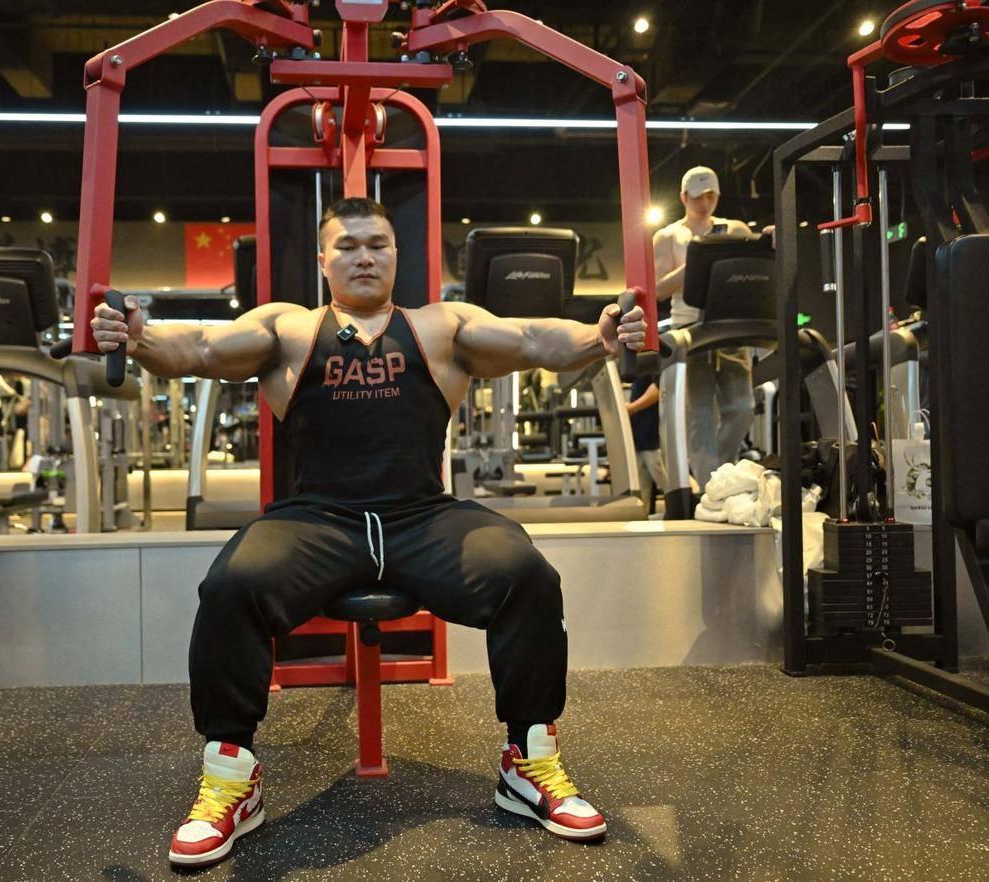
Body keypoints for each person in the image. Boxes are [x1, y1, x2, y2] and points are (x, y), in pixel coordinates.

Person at [92, 198, 647, 868]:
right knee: (231, 586)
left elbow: (531, 340)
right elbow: (202, 349)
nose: (363, 256)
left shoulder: (440, 328)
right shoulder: (289, 329)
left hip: (423, 517)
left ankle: (528, 760)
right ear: (323, 259)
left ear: (396, 254)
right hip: (319, 519)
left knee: (526, 575)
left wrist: (599, 337)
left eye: (377, 244)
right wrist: (139, 339)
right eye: (347, 245)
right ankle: (232, 774)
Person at [652, 166, 755, 489]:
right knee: (699, 417)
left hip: (729, 322)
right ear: (684, 197)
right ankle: (715, 489)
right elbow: (657, 289)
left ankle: (717, 483)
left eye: (710, 196)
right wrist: (698, 261)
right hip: (689, 328)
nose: (704, 203)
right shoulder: (668, 236)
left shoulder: (734, 228)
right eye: (698, 197)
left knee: (742, 408)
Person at [625, 372, 664, 514]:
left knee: (673, 485)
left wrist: (631, 408)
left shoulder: (653, 362)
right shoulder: (639, 365)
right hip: (639, 437)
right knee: (641, 497)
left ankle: (695, 507)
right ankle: (642, 520)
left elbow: (659, 388)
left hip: (654, 438)